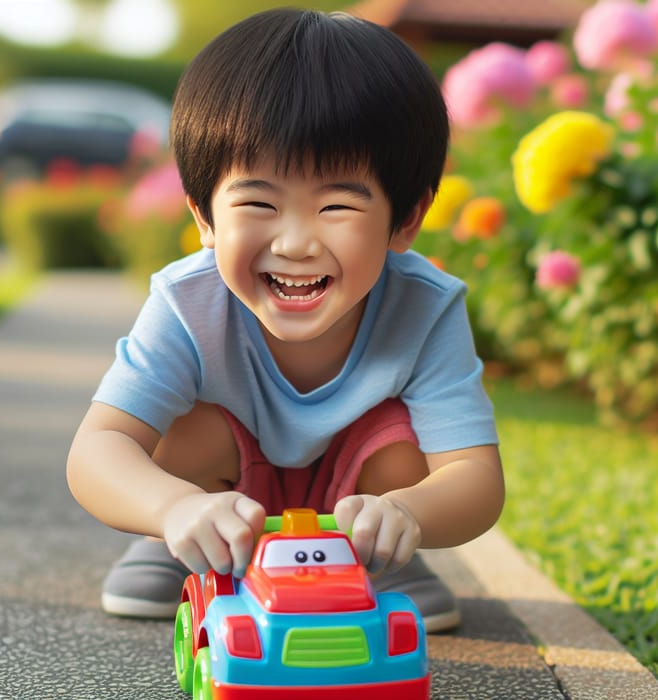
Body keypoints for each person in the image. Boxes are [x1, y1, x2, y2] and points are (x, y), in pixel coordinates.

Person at [66, 8, 504, 633]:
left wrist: (410, 513)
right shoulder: (186, 302)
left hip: (358, 510)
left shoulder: (426, 308)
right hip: (221, 494)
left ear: (406, 218)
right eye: (258, 203)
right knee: (168, 427)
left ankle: (381, 559)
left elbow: (475, 477)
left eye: (336, 205)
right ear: (205, 217)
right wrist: (172, 507)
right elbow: (96, 450)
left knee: (410, 438)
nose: (295, 242)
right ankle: (183, 547)